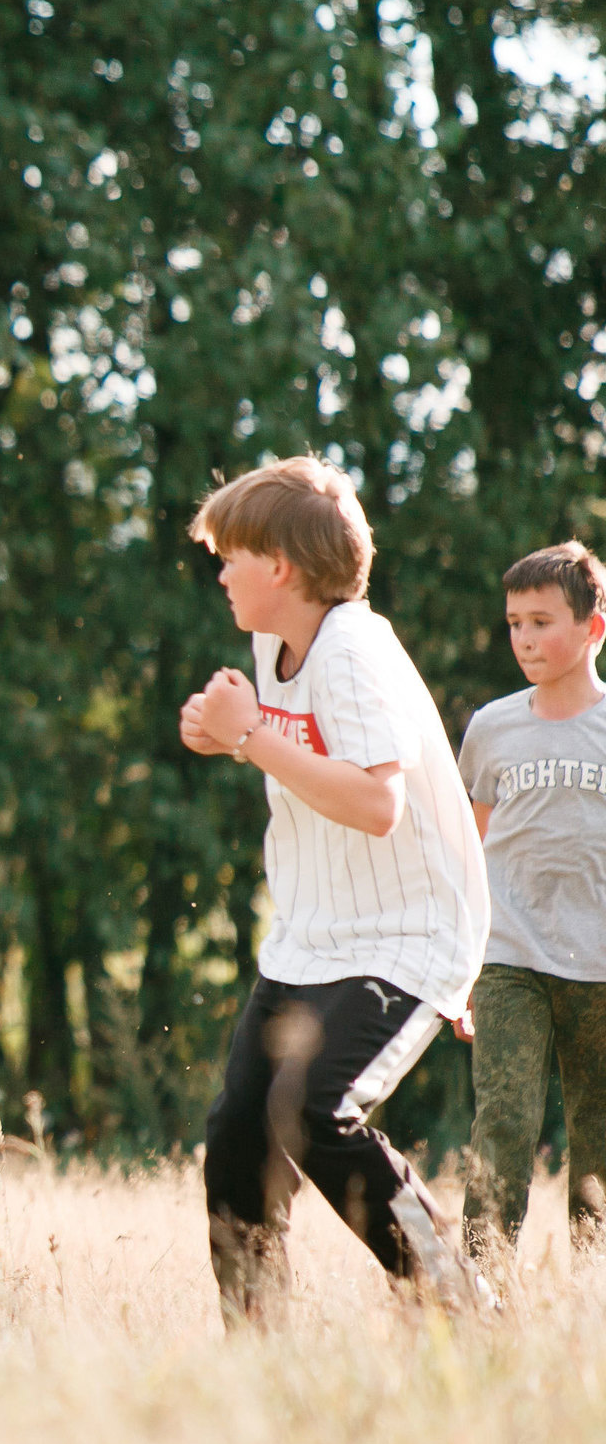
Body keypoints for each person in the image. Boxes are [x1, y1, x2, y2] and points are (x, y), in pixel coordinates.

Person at [177, 456, 488, 1324]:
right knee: (239, 1130)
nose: (221, 572)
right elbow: (286, 747)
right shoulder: (271, 641)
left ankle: (458, 1302)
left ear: (279, 565)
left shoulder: (355, 646)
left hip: (407, 933)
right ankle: (260, 1344)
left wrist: (248, 742)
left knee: (318, 1110)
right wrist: (221, 732)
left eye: (230, 555)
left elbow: (376, 804)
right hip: (311, 935)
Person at [455, 542, 606, 1255]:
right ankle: (481, 1286)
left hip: (602, 967)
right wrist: (463, 968)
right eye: (514, 623)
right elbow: (472, 852)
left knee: (599, 1146)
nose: (524, 639)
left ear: (592, 629)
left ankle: (593, 1292)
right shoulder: (491, 729)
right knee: (504, 1125)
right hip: (510, 958)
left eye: (542, 621)